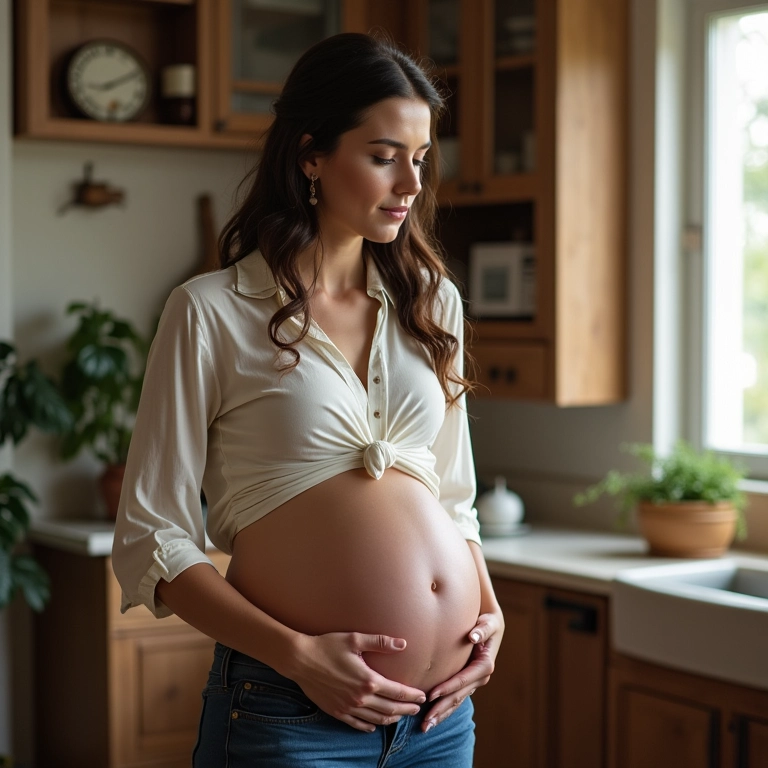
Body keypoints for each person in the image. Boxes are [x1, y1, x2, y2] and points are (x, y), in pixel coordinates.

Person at [112, 31, 504, 768]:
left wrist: (488, 610)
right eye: (384, 156)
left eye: (419, 159)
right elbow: (151, 538)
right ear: (311, 155)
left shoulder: (433, 303)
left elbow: (453, 499)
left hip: (439, 722)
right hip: (289, 715)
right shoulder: (210, 311)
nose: (411, 185)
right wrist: (299, 657)